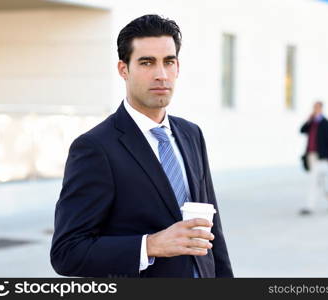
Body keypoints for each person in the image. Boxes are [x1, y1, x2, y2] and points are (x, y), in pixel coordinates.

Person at [50, 15, 233, 278]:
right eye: (147, 62)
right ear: (123, 69)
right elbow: (67, 253)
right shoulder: (95, 148)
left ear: (177, 67)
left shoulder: (191, 134)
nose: (161, 75)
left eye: (168, 62)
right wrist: (151, 245)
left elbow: (215, 237)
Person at [299, 101, 328, 215]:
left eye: (317, 108)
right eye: (314, 108)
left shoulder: (327, 124)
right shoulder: (311, 122)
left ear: (321, 109)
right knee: (314, 182)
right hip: (311, 156)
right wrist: (309, 120)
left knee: (325, 183)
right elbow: (302, 131)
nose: (315, 109)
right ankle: (309, 206)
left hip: (323, 158)